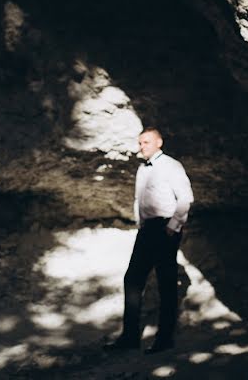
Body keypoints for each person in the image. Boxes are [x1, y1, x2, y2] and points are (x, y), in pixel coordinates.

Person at [105, 127, 194, 354]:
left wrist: (172, 227)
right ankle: (130, 337)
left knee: (166, 284)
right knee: (132, 280)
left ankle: (164, 339)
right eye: (140, 143)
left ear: (159, 142)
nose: (141, 146)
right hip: (147, 229)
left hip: (165, 228)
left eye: (146, 142)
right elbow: (139, 199)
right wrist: (140, 223)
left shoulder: (171, 166)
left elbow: (185, 198)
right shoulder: (142, 169)